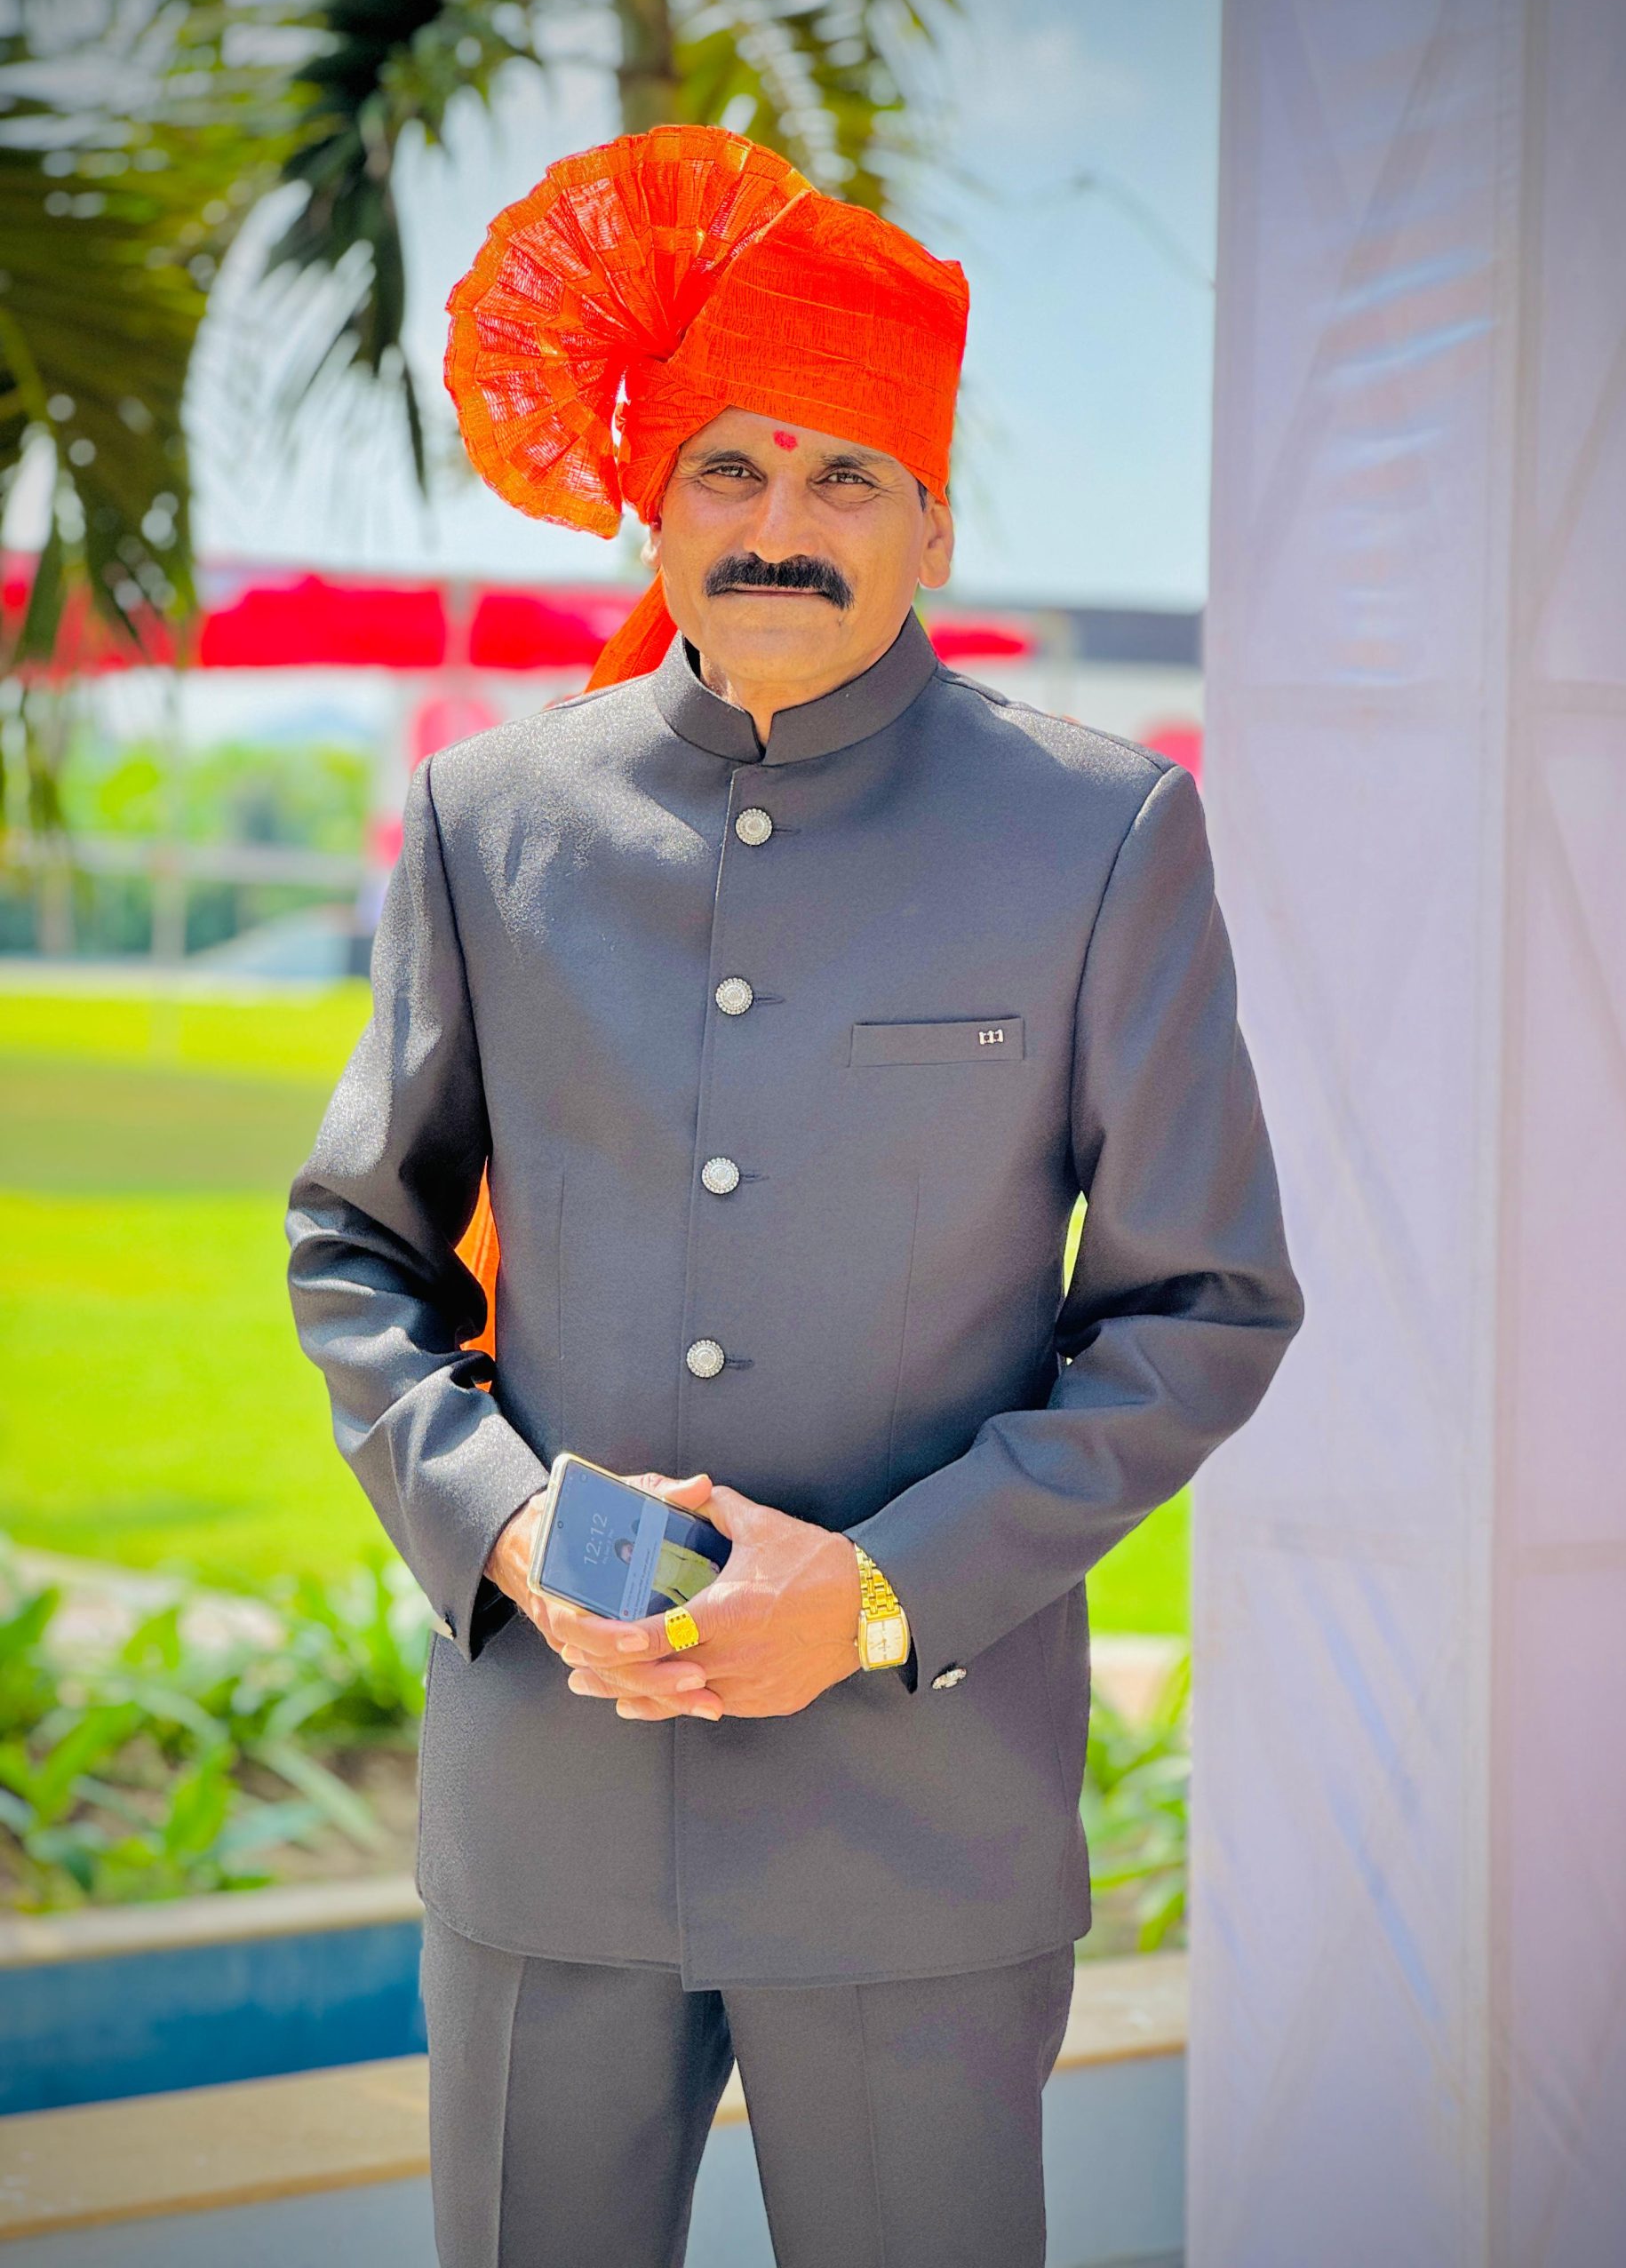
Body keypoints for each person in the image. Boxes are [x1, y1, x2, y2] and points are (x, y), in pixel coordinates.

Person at [285, 123, 1303, 2268]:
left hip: (919, 1832)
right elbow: (361, 1245)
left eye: (846, 476)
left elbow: (1202, 1302)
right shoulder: (488, 819)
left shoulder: (1102, 836)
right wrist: (507, 1520)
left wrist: (868, 1593)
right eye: (730, 467)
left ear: (934, 520)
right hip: (548, 1810)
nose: (779, 525)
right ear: (656, 504)